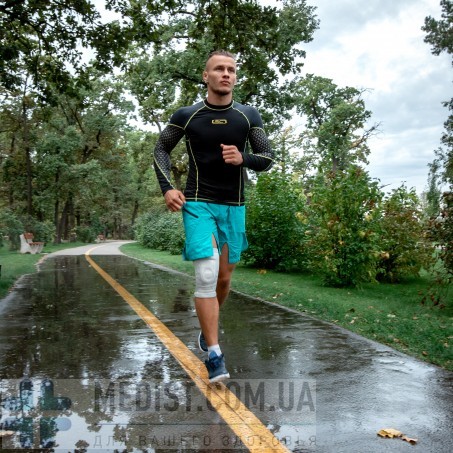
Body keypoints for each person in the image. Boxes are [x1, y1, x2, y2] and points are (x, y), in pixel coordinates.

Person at [153, 50, 274, 382]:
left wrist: (243, 158)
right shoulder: (188, 115)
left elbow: (267, 156)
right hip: (197, 202)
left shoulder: (248, 115)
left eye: (231, 70)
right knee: (206, 275)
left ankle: (208, 332)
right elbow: (161, 148)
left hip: (234, 206)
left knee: (223, 278)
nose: (226, 74)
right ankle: (215, 355)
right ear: (205, 76)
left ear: (235, 77)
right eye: (219, 69)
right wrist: (167, 187)